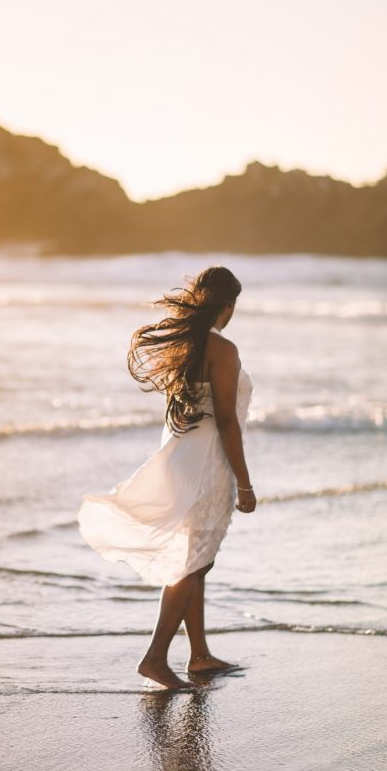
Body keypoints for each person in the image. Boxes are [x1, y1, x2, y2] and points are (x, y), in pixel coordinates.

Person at [77, 266, 256, 690]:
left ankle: (199, 655)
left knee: (197, 561)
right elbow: (228, 422)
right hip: (207, 463)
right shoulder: (222, 349)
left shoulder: (187, 345)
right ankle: (155, 658)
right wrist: (245, 484)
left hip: (183, 458)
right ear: (227, 306)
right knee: (192, 563)